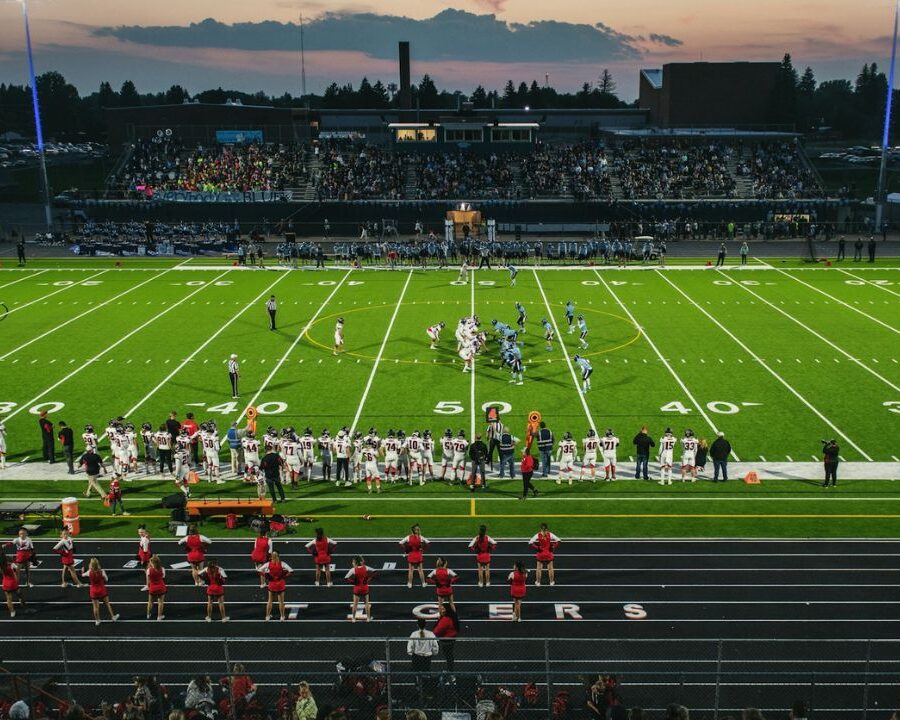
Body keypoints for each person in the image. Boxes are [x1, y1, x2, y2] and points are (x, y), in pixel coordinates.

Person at [407, 618, 439, 702]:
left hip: (417, 657)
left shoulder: (414, 634)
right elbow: (435, 646)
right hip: (426, 658)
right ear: (426, 625)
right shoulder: (431, 634)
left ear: (417, 625)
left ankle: (418, 689)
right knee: (425, 675)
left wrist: (411, 653)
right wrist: (433, 653)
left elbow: (409, 646)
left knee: (417, 674)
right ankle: (424, 692)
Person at [82, 558, 119, 626]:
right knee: (107, 604)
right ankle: (113, 617)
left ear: (91, 565)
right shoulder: (102, 571)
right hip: (102, 590)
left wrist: (82, 571)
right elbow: (106, 579)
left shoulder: (89, 572)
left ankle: (97, 620)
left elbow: (82, 575)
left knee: (95, 607)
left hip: (93, 591)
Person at [259, 550, 292, 621]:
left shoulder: (268, 564)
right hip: (280, 584)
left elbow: (259, 570)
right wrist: (284, 576)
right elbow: (291, 571)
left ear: (271, 557)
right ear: (278, 556)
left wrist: (265, 575)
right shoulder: (282, 564)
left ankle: (267, 616)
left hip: (272, 584)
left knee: (270, 601)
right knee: (281, 602)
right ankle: (282, 617)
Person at [433, 604, 460, 676]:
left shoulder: (446, 619)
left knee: (448, 656)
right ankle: (450, 670)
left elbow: (437, 631)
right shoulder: (452, 617)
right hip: (451, 639)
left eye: (443, 609)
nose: (440, 610)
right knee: (449, 656)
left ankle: (450, 671)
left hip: (446, 640)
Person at [345, 555, 374, 622]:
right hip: (365, 587)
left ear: (355, 562)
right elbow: (374, 572)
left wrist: (353, 582)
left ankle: (353, 618)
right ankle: (368, 618)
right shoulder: (366, 568)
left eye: (353, 562)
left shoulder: (353, 570)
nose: (352, 563)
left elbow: (346, 578)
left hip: (357, 588)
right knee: (366, 603)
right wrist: (368, 579)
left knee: (355, 604)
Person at [1, 553, 25, 617]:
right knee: (19, 594)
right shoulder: (11, 565)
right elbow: (18, 569)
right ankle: (22, 602)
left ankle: (12, 612)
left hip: (5, 583)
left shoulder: (1, 567)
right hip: (13, 582)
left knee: (8, 598)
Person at [145, 554, 167, 620]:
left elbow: (148, 581)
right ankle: (159, 616)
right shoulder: (162, 569)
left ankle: (148, 614)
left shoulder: (148, 570)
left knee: (150, 602)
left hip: (152, 588)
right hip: (161, 587)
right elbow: (163, 577)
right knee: (160, 602)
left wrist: (148, 587)